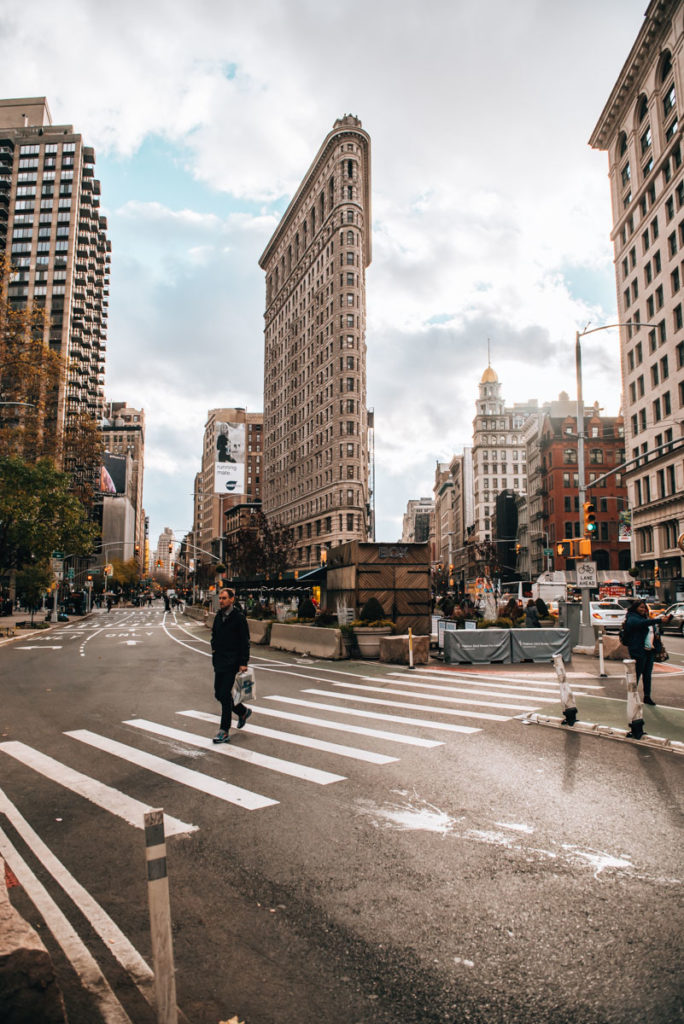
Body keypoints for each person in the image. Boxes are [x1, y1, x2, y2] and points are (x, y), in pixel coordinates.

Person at [211, 587, 251, 743]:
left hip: (232, 662)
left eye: (224, 598)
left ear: (232, 599)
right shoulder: (218, 617)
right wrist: (214, 649)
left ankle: (224, 730)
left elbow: (245, 642)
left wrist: (243, 662)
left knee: (224, 693)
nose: (221, 601)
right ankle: (242, 711)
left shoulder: (239, 618)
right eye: (220, 598)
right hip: (219, 661)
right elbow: (214, 635)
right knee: (218, 694)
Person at [622, 599, 670, 706]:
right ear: (635, 608)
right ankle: (632, 696)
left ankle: (647, 696)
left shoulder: (645, 618)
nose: (643, 609)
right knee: (637, 674)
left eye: (644, 608)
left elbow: (652, 632)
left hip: (649, 650)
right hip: (638, 650)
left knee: (647, 675)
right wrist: (659, 620)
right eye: (641, 607)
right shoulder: (632, 617)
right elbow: (641, 624)